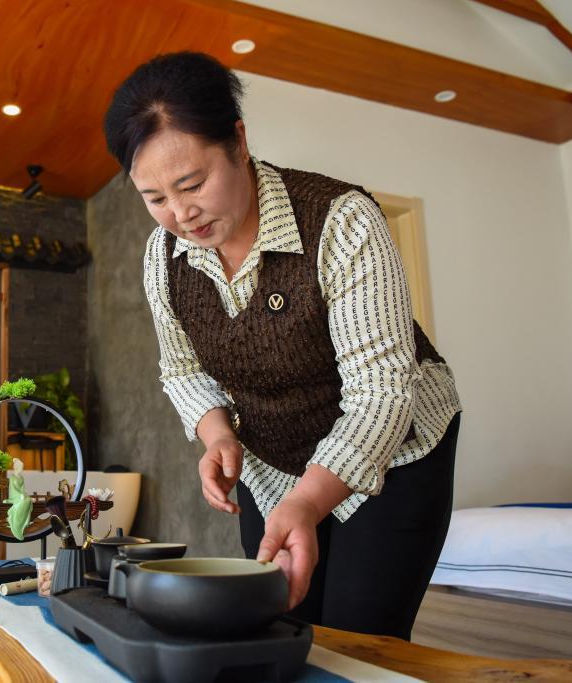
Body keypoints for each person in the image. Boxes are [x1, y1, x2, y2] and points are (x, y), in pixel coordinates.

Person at [102, 52, 462, 640]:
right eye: (155, 197)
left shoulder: (341, 221)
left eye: (192, 184)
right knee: (278, 626)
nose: (181, 214)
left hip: (396, 449)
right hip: (272, 467)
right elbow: (182, 369)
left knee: (360, 638)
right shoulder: (162, 257)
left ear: (239, 142)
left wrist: (310, 502)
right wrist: (217, 435)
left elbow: (381, 393)